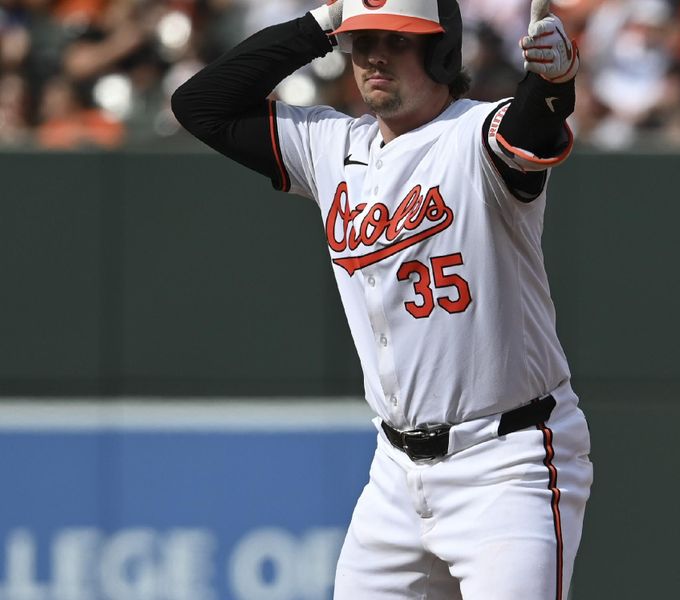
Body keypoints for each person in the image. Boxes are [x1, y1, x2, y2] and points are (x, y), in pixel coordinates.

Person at [171, 0, 592, 598]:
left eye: (397, 41)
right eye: (362, 40)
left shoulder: (478, 133)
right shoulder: (330, 145)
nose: (372, 55)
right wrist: (325, 21)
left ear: (441, 51)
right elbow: (200, 106)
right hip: (395, 473)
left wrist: (554, 83)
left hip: (508, 465)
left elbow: (534, 125)